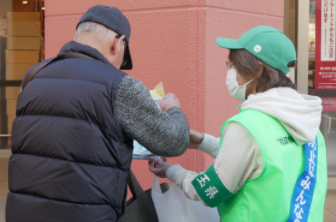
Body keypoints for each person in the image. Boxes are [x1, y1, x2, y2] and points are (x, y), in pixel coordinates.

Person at [6, 5, 189, 222]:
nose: (120, 65)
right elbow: (175, 141)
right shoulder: (121, 86)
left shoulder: (33, 76)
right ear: (117, 42)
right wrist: (173, 108)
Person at [149, 26, 327, 222]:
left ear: (258, 69)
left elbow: (209, 192)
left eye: (233, 65)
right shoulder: (306, 122)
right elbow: (260, 156)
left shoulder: (247, 126)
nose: (230, 72)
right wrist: (203, 141)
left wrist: (172, 171)